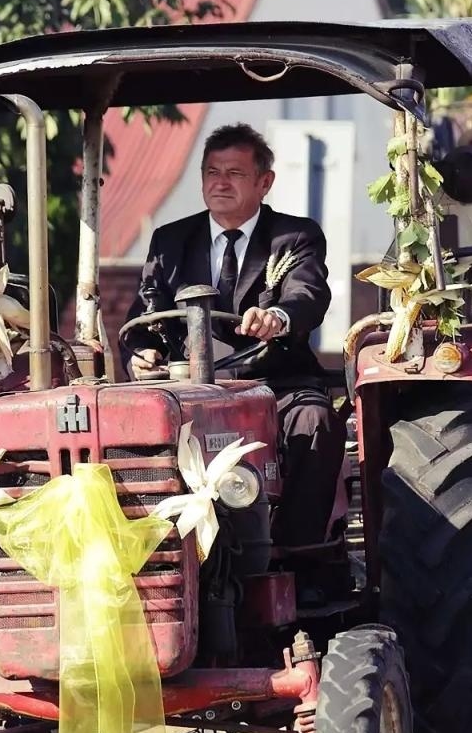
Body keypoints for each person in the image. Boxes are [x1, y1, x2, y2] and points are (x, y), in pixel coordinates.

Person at [122, 123, 344, 549]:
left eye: (235, 174)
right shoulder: (170, 241)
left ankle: (298, 559)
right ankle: (163, 557)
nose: (220, 183)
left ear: (265, 182)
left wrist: (277, 316)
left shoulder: (295, 236)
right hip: (190, 388)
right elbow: (145, 311)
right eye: (211, 172)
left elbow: (307, 293)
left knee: (315, 422)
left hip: (277, 384)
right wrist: (143, 351)